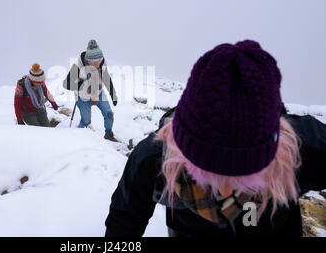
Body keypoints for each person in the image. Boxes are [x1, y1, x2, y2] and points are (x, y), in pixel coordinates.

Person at [105, 40, 326, 237]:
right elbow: (124, 223)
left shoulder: (306, 148)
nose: (225, 193)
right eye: (207, 175)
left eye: (246, 177)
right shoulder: (152, 161)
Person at [63, 39, 119, 141]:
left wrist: (113, 95)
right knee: (86, 121)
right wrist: (81, 83)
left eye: (99, 60)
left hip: (99, 92)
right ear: (88, 60)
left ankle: (108, 134)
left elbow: (106, 78)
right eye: (94, 62)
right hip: (82, 96)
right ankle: (75, 139)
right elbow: (66, 84)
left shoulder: (101, 62)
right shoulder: (78, 65)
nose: (97, 64)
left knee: (109, 114)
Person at [14, 63, 58, 127]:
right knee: (38, 130)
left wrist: (53, 103)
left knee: (48, 128)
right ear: (32, 80)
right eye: (38, 82)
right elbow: (17, 103)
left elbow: (46, 92)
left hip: (39, 109)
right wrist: (19, 119)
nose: (40, 84)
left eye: (41, 82)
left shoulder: (41, 83)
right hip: (28, 113)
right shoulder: (21, 86)